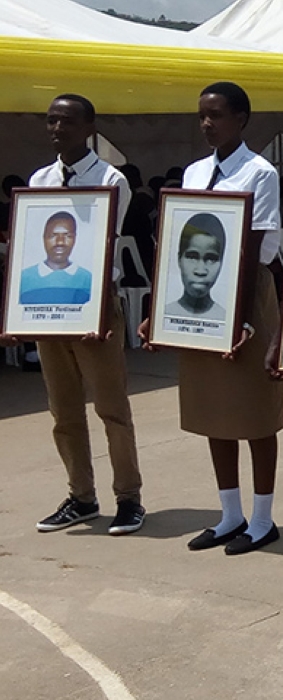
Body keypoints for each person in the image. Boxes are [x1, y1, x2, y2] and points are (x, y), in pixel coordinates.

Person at [143, 81, 283, 556]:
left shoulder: (260, 173)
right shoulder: (195, 171)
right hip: (201, 300)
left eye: (217, 115)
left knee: (256, 413)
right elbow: (180, 243)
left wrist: (243, 318)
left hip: (246, 297)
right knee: (213, 412)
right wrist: (160, 312)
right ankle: (230, 514)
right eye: (202, 114)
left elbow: (260, 246)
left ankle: (262, 519)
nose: (207, 123)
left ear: (241, 119)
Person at [4, 94, 144, 536]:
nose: (56, 129)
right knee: (63, 410)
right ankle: (81, 495)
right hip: (48, 307)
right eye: (50, 121)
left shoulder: (110, 180)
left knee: (111, 408)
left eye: (66, 122)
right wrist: (16, 313)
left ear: (89, 127)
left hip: (95, 305)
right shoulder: (40, 180)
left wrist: (97, 307)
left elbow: (101, 243)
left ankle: (129, 498)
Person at [19, 211, 92, 304]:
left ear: (75, 238)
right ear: (44, 238)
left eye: (68, 236)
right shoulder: (23, 278)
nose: (60, 242)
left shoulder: (88, 279)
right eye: (52, 236)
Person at [164, 213, 227, 320]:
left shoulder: (226, 321)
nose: (200, 270)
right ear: (179, 259)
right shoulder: (162, 318)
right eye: (192, 257)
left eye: (211, 259)